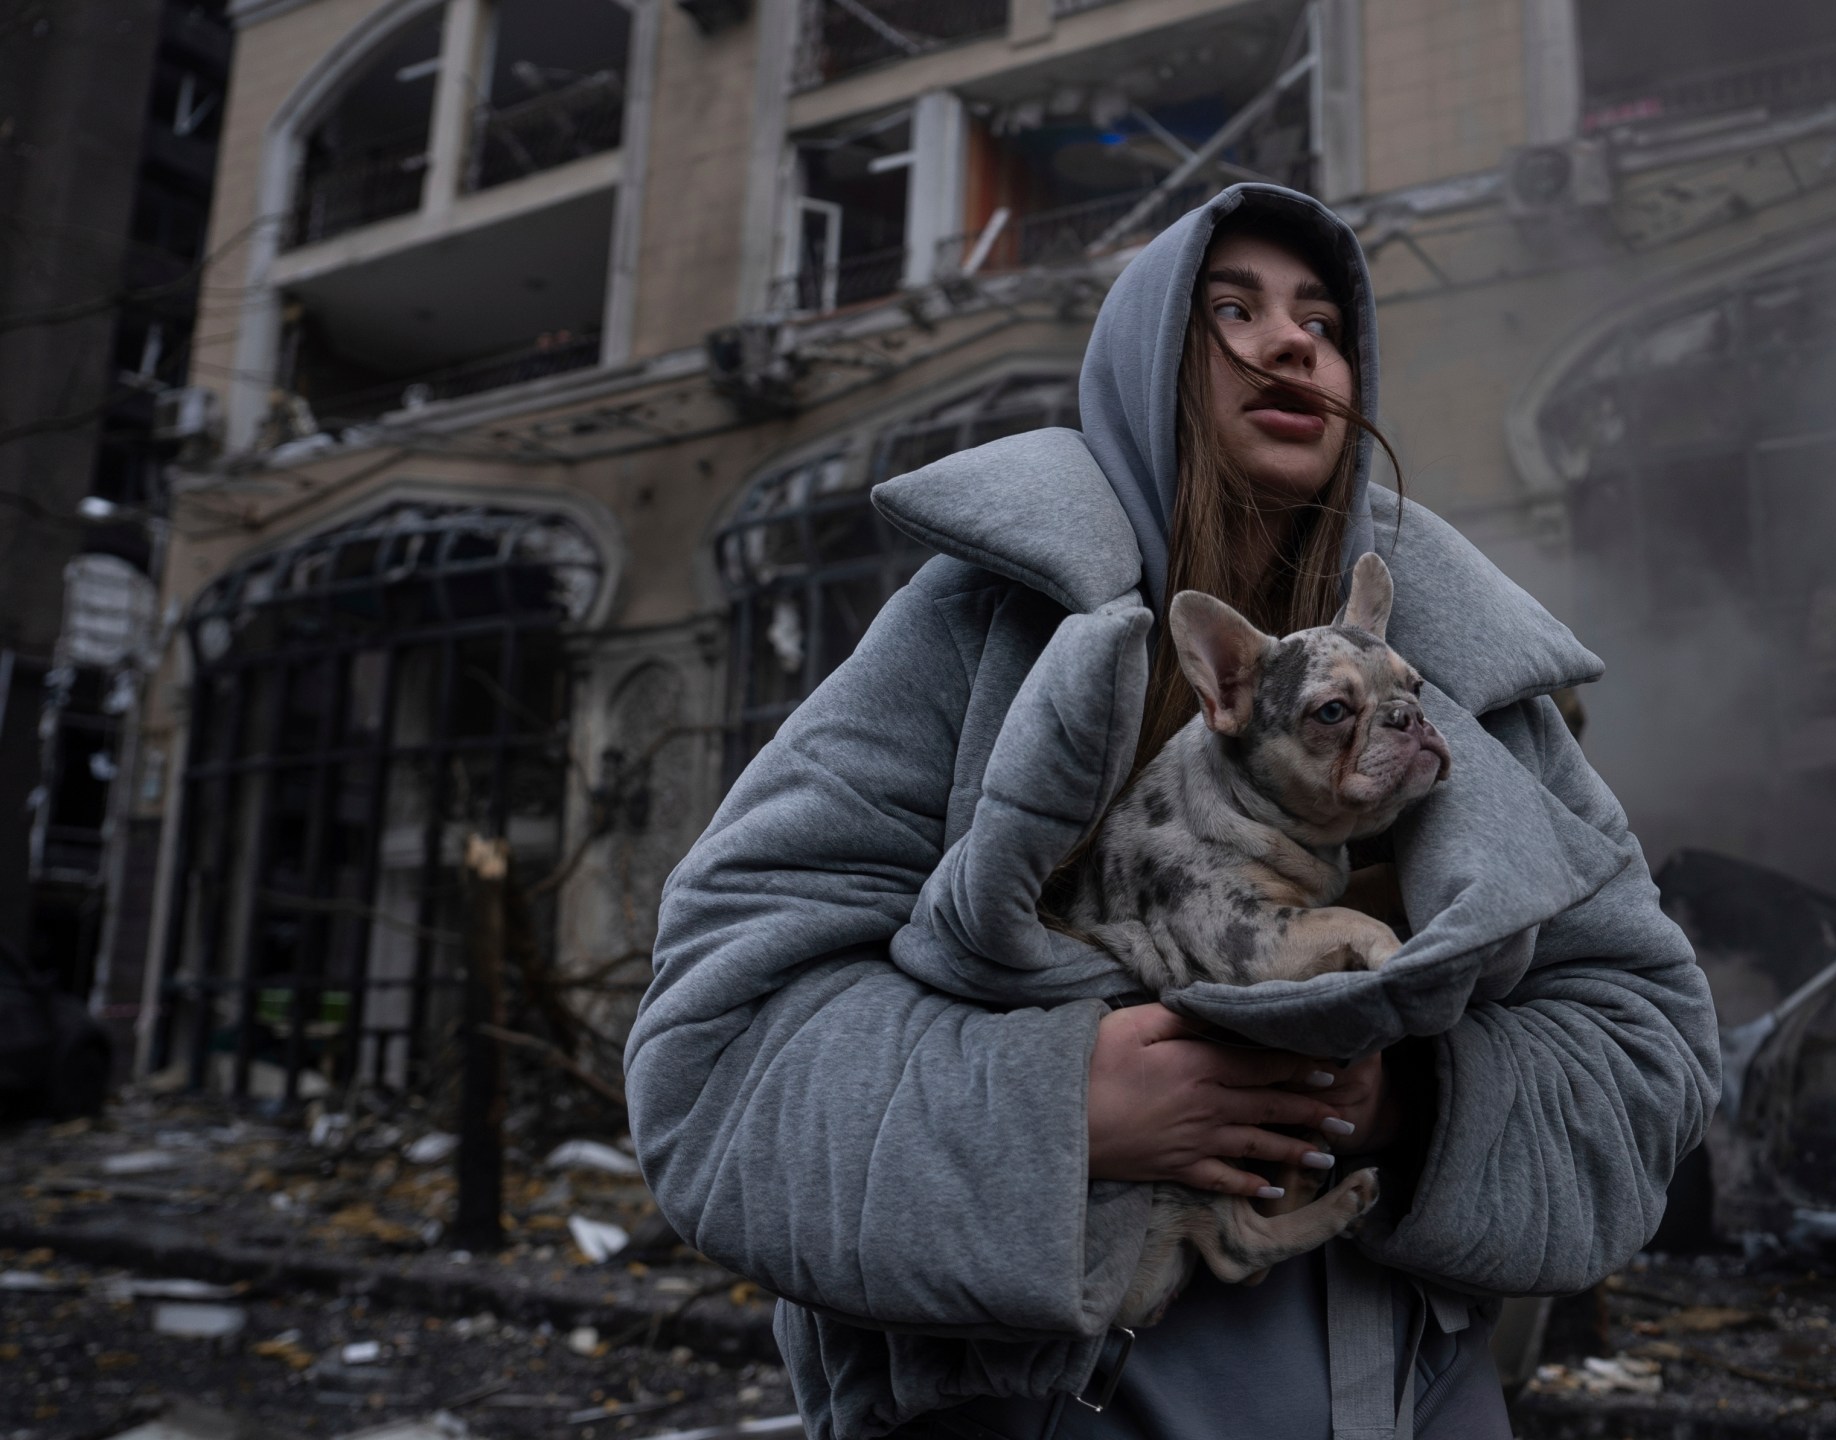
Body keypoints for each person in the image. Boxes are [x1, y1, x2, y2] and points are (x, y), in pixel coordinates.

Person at [627, 184, 1719, 1440]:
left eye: (1321, 319)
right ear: (1148, 366)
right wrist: (1064, 1108)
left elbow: (1649, 1043)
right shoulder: (979, 625)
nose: (1290, 341)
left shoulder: (1460, 681)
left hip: (1411, 1399)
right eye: (1231, 311)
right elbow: (714, 1041)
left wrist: (1396, 1105)